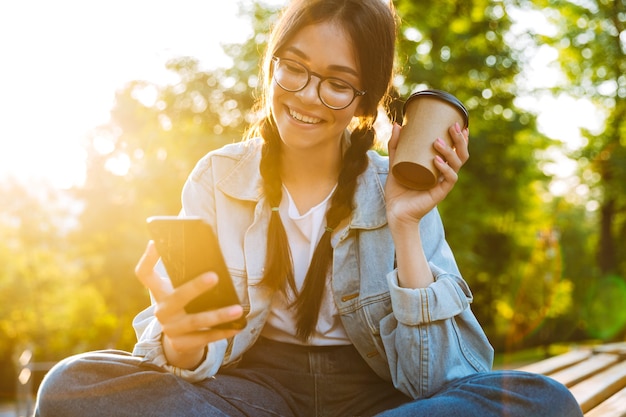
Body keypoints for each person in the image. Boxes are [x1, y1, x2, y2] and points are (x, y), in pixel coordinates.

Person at [35, 0, 583, 416]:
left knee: (544, 400)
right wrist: (180, 341)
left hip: (376, 393)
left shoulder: (392, 187)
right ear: (272, 65)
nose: (305, 96)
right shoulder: (218, 177)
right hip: (252, 391)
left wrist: (406, 223)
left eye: (337, 85)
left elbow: (436, 380)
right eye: (293, 68)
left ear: (365, 100)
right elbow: (196, 361)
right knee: (71, 385)